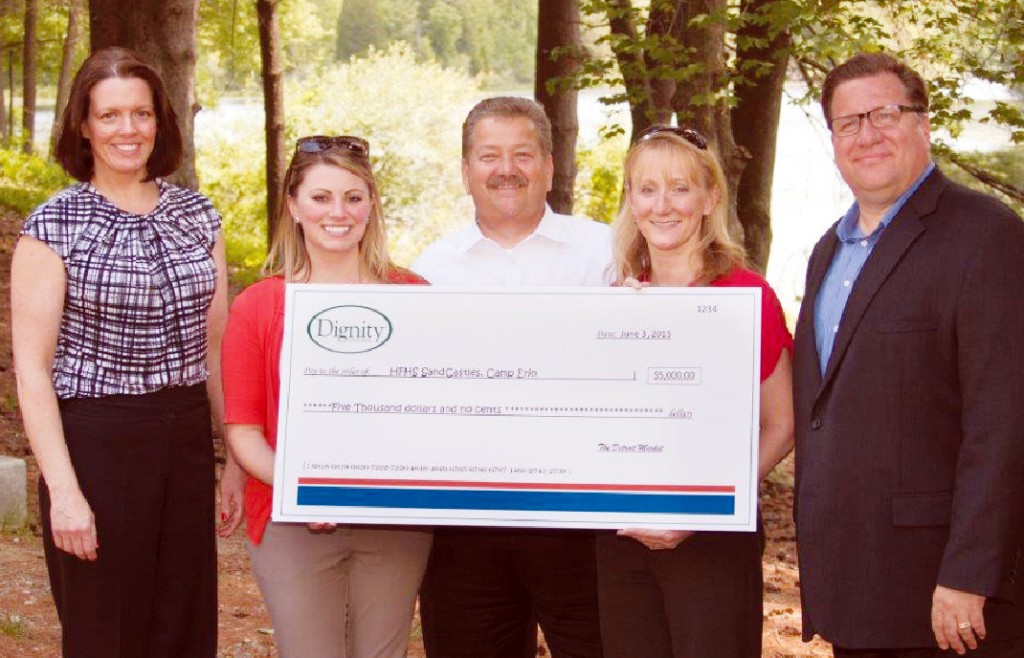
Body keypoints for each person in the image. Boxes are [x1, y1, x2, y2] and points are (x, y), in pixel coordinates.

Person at [10, 47, 244, 657]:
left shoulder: (198, 216)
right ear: (84, 126)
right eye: (110, 115)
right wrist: (64, 491)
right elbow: (33, 374)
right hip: (97, 442)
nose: (128, 129)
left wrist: (234, 459)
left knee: (184, 628)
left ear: (160, 121)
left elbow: (214, 348)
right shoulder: (54, 226)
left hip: (186, 440)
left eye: (141, 114)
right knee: (106, 634)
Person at [793, 52, 1024, 657]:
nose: (867, 134)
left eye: (885, 113)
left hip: (943, 594)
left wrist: (971, 573)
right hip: (854, 583)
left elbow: (1003, 420)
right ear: (834, 139)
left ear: (923, 123)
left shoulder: (986, 235)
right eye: (848, 122)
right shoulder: (828, 251)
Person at [412, 96, 610, 658]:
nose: (506, 169)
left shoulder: (607, 252)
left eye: (523, 154)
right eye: (489, 156)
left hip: (585, 520)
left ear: (549, 165)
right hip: (466, 528)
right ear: (466, 171)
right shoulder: (430, 270)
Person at [221, 135, 433, 658]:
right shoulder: (258, 306)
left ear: (372, 204)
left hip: (396, 519)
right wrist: (306, 489)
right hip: (292, 516)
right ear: (293, 205)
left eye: (353, 197)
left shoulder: (417, 297)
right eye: (321, 197)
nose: (338, 212)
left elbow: (435, 415)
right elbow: (244, 433)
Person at [594, 125, 794, 658]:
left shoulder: (746, 295)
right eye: (647, 189)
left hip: (713, 536)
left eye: (680, 188)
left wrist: (707, 504)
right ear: (631, 201)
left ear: (709, 199)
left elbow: (782, 423)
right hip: (621, 536)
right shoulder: (614, 301)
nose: (663, 206)